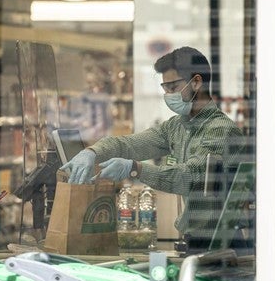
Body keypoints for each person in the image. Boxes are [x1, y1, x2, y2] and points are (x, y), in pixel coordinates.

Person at [62, 46, 244, 235]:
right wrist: (92, 152)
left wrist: (135, 169)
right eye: (165, 89)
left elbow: (189, 178)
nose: (168, 95)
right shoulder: (176, 127)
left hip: (223, 245)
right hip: (195, 241)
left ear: (196, 82)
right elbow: (129, 144)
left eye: (173, 87)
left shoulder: (221, 130)